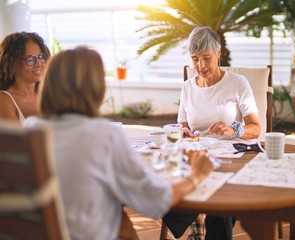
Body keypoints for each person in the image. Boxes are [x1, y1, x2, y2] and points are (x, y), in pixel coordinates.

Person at [23, 46, 215, 240]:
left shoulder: (29, 130)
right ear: (95, 88)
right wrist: (196, 176)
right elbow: (154, 201)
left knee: (120, 216)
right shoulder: (103, 134)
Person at [163, 26, 262, 240]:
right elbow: (182, 126)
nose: (201, 66)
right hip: (196, 156)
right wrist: (184, 133)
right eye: (195, 59)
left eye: (206, 58)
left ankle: (201, 217)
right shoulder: (188, 87)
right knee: (163, 181)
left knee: (220, 195)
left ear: (219, 53)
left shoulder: (237, 83)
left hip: (230, 158)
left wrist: (233, 129)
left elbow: (256, 128)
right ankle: (198, 216)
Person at [0, 31, 50, 124]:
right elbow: (16, 138)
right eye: (30, 59)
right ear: (12, 64)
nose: (39, 64)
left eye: (40, 57)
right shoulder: (3, 100)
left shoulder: (46, 97)